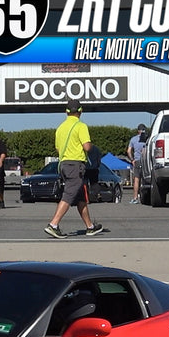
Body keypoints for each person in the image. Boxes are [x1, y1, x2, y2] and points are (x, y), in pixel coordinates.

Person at [44, 99, 104, 238]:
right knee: (69, 194)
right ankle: (53, 224)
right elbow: (87, 146)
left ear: (66, 112)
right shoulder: (81, 126)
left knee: (80, 197)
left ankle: (90, 227)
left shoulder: (60, 128)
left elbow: (58, 148)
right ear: (81, 111)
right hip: (75, 165)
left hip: (64, 164)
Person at [126, 123, 148, 204]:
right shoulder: (147, 139)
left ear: (138, 131)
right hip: (146, 161)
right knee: (146, 179)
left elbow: (128, 151)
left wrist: (132, 160)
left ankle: (135, 198)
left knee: (136, 179)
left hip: (137, 160)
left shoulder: (133, 139)